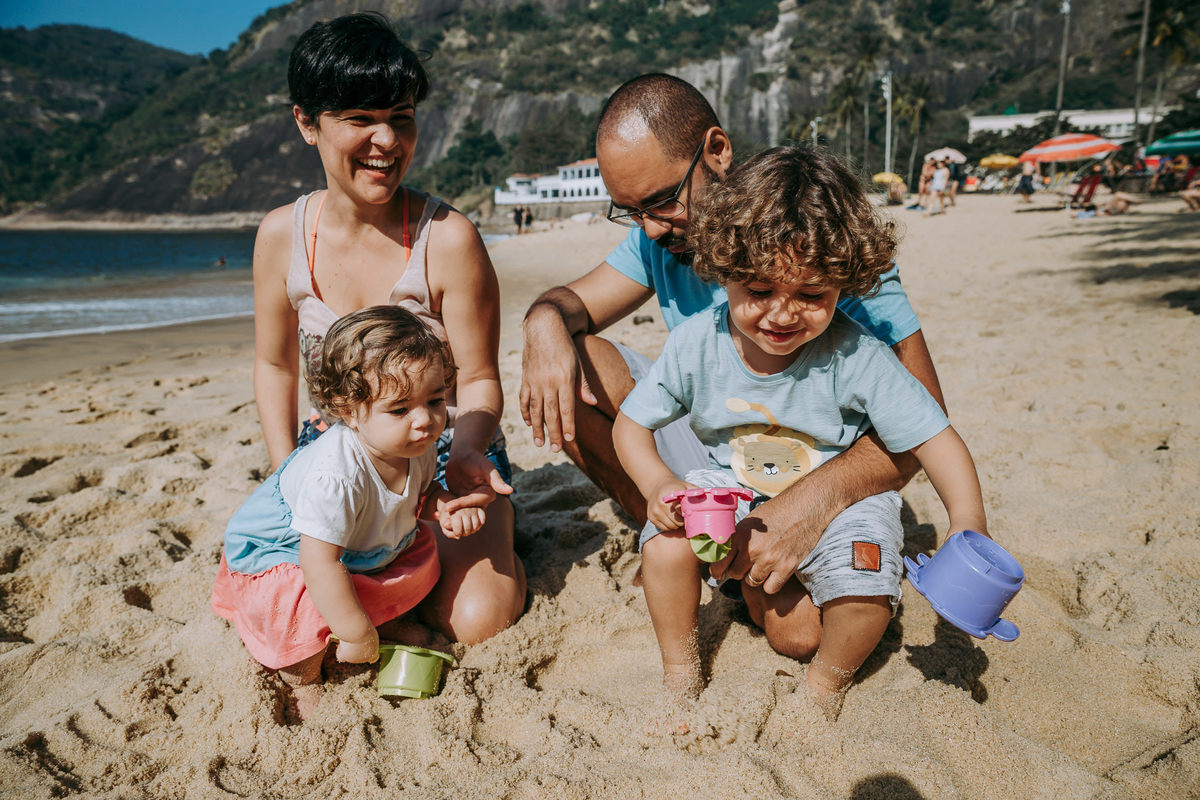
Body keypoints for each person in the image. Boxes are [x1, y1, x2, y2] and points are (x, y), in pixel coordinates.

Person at [520, 74, 944, 683]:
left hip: (817, 456)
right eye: (631, 211)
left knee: (798, 637)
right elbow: (571, 303)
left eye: (662, 200)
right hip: (723, 446)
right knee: (573, 364)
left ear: (717, 151)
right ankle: (678, 536)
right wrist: (541, 322)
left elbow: (923, 416)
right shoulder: (659, 240)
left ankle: (741, 561)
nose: (651, 228)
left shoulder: (814, 244)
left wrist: (806, 506)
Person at [612, 146, 987, 728]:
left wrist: (967, 523)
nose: (782, 315)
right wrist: (658, 481)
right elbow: (632, 425)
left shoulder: (856, 353)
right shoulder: (696, 344)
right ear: (721, 267)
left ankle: (823, 688)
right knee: (662, 548)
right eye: (759, 290)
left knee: (860, 594)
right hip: (732, 487)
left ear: (846, 279)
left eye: (812, 294)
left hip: (842, 505)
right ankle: (681, 672)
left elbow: (935, 437)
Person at [250, 12, 524, 647]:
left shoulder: (447, 238)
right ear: (306, 123)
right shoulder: (279, 237)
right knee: (293, 609)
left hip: (446, 454)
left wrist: (464, 456)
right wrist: (288, 474)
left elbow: (480, 378)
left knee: (475, 621)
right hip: (336, 464)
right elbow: (274, 367)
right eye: (359, 119)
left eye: (401, 117)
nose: (386, 140)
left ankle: (504, 532)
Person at [213, 307, 487, 718]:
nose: (425, 421)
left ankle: (377, 621)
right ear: (348, 410)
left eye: (434, 401)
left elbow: (420, 494)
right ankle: (301, 673)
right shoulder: (336, 474)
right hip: (286, 554)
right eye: (400, 409)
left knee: (419, 554)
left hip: (355, 547)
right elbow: (318, 564)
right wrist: (355, 632)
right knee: (300, 602)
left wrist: (442, 504)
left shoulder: (418, 445)